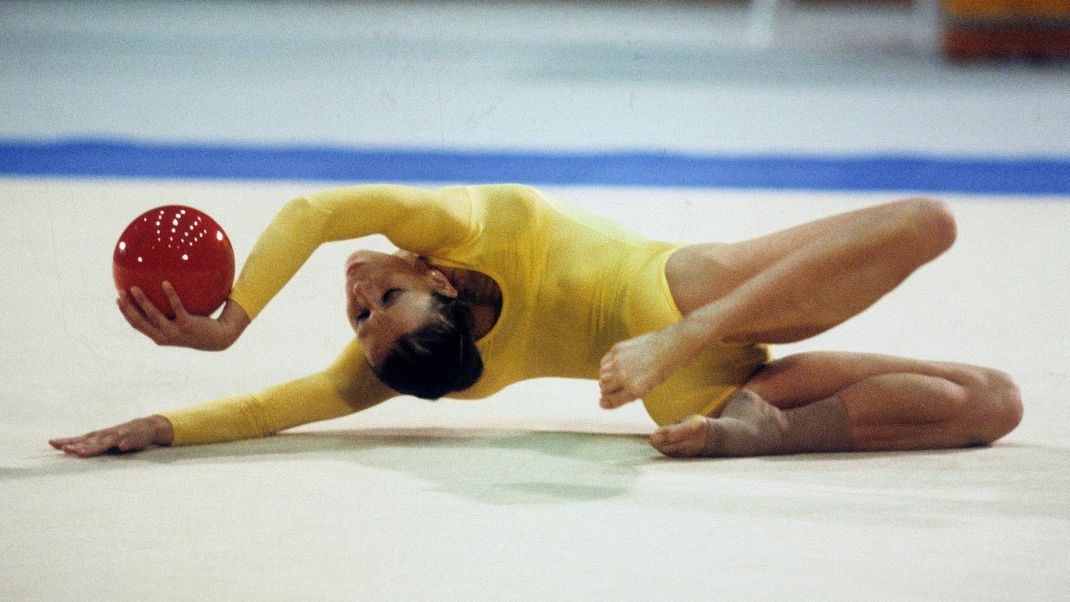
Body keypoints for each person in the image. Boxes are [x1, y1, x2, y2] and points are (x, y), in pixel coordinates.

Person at [50, 184, 1022, 459]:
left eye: (369, 300)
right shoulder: (464, 246)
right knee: (982, 376)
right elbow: (279, 407)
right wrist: (167, 427)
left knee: (984, 383)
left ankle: (744, 436)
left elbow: (312, 215)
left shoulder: (462, 231)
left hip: (688, 360)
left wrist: (226, 327)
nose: (356, 285)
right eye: (367, 309)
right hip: (674, 317)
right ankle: (737, 421)